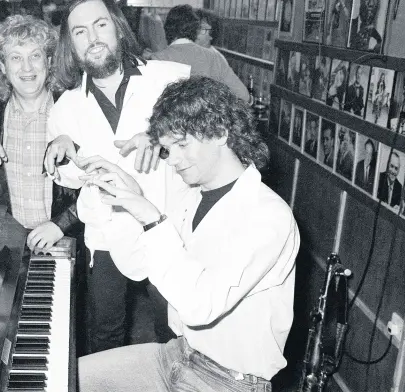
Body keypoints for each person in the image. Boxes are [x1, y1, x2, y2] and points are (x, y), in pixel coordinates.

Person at [78, 77, 300, 392]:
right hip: (179, 353)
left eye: (183, 144)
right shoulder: (191, 196)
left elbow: (200, 306)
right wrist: (123, 201)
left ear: (221, 132)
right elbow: (138, 266)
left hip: (230, 381)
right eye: (168, 149)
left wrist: (152, 218)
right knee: (68, 378)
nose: (175, 159)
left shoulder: (268, 215)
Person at [43, 0, 191, 353]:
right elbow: (68, 178)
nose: (92, 38)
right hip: (107, 233)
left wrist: (162, 135)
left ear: (119, 30)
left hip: (169, 227)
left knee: (172, 334)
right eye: (79, 32)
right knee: (105, 336)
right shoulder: (66, 107)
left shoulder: (169, 80)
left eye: (100, 25)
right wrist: (66, 152)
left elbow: (210, 138)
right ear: (71, 47)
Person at [0, 15, 80, 250]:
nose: (27, 67)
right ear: (2, 66)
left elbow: (97, 182)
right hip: (6, 243)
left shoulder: (75, 109)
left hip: (64, 239)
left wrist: (61, 224)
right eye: (15, 58)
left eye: (35, 55)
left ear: (49, 61)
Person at [151, 5, 248, 101]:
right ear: (195, 30)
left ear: (166, 29)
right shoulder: (214, 57)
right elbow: (243, 95)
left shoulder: (158, 58)